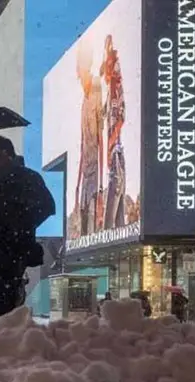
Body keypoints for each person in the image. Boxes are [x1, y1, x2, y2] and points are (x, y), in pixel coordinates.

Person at [0, 137, 55, 318]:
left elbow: (47, 206)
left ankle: (12, 340)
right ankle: (6, 340)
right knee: (2, 306)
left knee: (11, 305)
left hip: (17, 248)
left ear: (7, 154)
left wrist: (22, 224)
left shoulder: (27, 178)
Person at [74, 39, 104, 236]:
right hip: (86, 175)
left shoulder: (96, 87)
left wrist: (101, 185)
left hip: (96, 177)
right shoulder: (84, 100)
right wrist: (77, 184)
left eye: (79, 64)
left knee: (93, 227)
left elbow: (101, 137)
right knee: (84, 229)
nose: (77, 71)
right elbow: (84, 145)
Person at [100, 35, 127, 230]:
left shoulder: (116, 87)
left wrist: (111, 144)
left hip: (116, 153)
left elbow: (121, 117)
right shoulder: (109, 92)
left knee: (116, 188)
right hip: (113, 155)